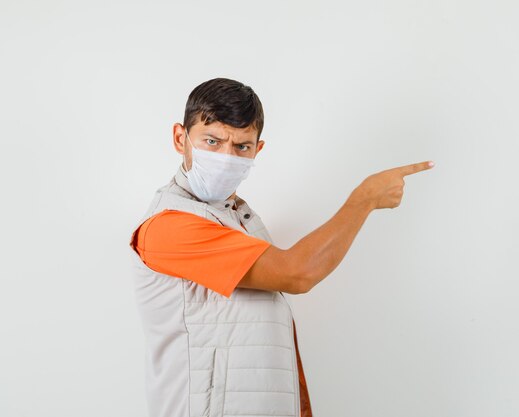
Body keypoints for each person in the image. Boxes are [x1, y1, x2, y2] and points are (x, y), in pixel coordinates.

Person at [128, 77, 435, 417]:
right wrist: (364, 199)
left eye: (241, 147)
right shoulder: (171, 226)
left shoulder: (237, 217)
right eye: (212, 141)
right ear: (179, 138)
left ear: (258, 150)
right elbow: (298, 273)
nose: (226, 157)